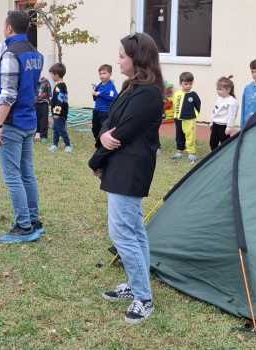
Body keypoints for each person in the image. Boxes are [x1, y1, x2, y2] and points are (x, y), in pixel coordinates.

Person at [92, 32, 165, 325]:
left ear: (138, 58)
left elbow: (123, 132)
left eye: (122, 55)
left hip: (131, 168)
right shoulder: (130, 86)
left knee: (123, 232)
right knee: (133, 229)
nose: (118, 60)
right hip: (120, 166)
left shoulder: (148, 93)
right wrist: (102, 137)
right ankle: (136, 286)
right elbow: (109, 122)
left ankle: (143, 297)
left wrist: (97, 158)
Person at [0, 11, 45, 244]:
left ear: (9, 28)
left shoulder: (11, 54)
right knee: (27, 173)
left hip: (12, 123)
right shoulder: (36, 53)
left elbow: (8, 92)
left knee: (13, 176)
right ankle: (34, 221)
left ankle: (24, 226)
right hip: (28, 119)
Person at [171, 72, 200, 162]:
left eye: (190, 84)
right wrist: (176, 115)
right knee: (179, 134)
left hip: (189, 120)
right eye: (186, 84)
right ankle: (180, 150)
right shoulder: (177, 94)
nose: (188, 86)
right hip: (178, 119)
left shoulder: (194, 95)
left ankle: (191, 152)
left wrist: (193, 115)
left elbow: (198, 106)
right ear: (180, 83)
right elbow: (175, 104)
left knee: (190, 135)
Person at [209, 76, 239, 150]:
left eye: (220, 89)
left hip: (223, 126)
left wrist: (229, 127)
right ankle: (214, 156)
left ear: (228, 89)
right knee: (212, 143)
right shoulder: (219, 99)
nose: (218, 91)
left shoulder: (232, 102)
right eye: (217, 89)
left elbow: (232, 116)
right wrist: (211, 122)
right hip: (216, 125)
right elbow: (214, 111)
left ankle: (228, 156)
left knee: (225, 143)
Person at [92, 64, 118, 149]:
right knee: (95, 127)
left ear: (110, 74)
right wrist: (94, 94)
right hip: (97, 110)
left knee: (104, 128)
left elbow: (113, 97)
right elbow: (95, 96)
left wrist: (100, 94)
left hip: (105, 111)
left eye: (104, 73)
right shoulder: (99, 85)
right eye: (100, 74)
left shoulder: (111, 86)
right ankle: (97, 141)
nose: (102, 75)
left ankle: (104, 144)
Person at [48, 63, 72, 153]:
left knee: (61, 129)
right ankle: (55, 144)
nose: (51, 76)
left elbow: (59, 101)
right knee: (55, 129)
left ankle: (68, 145)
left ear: (56, 75)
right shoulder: (63, 85)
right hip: (63, 112)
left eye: (51, 74)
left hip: (59, 113)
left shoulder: (58, 87)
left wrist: (56, 113)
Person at [34, 76, 51, 142]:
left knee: (44, 120)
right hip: (34, 103)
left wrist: (50, 103)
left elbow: (49, 91)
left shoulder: (45, 80)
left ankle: (44, 136)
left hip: (43, 103)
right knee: (34, 119)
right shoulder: (32, 79)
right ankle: (34, 134)